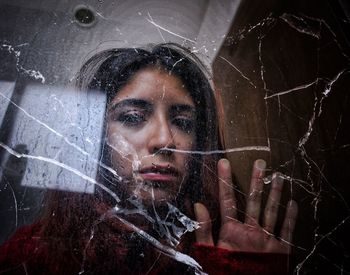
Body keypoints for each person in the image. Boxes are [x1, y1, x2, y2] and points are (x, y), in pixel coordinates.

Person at [0, 43, 298, 274]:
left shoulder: (227, 245)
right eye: (132, 117)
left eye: (183, 122)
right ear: (97, 138)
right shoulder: (32, 252)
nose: (165, 140)